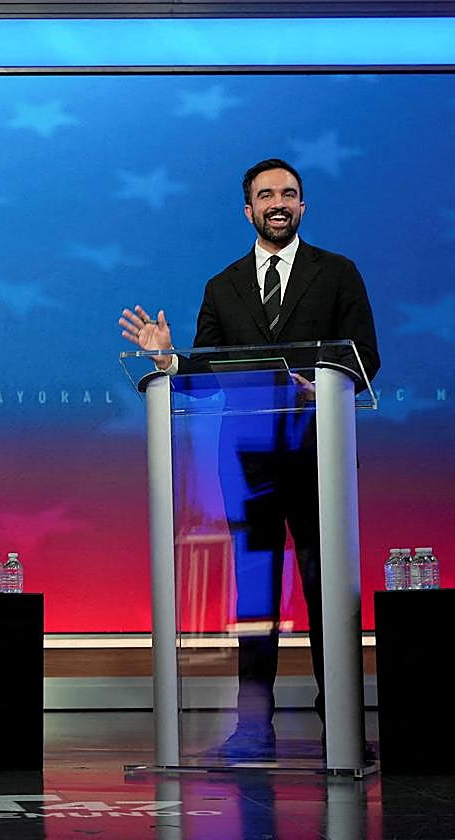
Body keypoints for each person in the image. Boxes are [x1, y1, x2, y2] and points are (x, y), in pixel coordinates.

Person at [119, 158, 379, 759]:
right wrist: (169, 360)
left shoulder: (338, 274)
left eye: (289, 194)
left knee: (327, 593)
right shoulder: (224, 284)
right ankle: (253, 729)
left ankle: (341, 725)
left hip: (321, 459)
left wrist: (325, 382)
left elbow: (366, 357)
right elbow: (206, 370)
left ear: (303, 206)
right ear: (249, 210)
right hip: (248, 465)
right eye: (266, 196)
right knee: (255, 598)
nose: (278, 203)